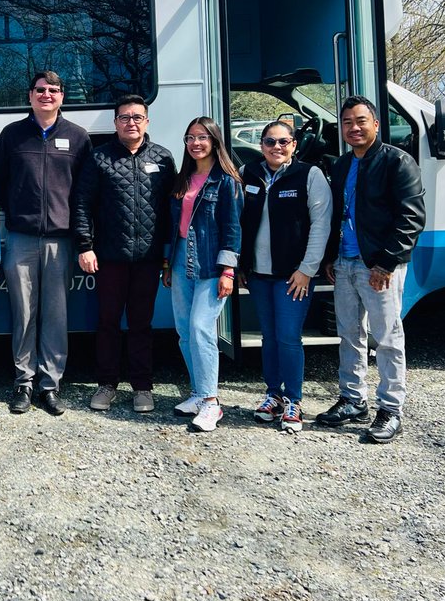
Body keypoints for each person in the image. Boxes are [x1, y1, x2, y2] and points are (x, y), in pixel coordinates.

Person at [316, 96, 426, 443]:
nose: (354, 127)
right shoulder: (341, 165)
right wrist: (331, 257)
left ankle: (391, 409)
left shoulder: (397, 162)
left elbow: (411, 217)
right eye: (347, 122)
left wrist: (387, 262)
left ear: (376, 124)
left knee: (388, 338)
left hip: (379, 266)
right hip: (345, 264)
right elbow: (338, 215)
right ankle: (353, 400)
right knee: (350, 335)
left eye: (361, 121)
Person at [0, 70, 91, 415]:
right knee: (24, 311)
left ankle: (49, 385)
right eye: (40, 90)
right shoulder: (12, 135)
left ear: (62, 96)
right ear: (29, 96)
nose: (46, 95)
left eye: (53, 90)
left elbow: (83, 192)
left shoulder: (77, 138)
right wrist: (18, 207)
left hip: (61, 241)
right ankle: (23, 382)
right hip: (21, 237)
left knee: (56, 314)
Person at [73, 95, 175, 413]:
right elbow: (82, 205)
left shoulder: (163, 158)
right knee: (108, 323)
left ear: (146, 121)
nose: (131, 122)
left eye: (137, 117)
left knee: (142, 324)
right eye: (124, 117)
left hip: (148, 257)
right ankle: (106, 384)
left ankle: (142, 387)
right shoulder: (99, 158)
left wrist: (169, 255)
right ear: (115, 123)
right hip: (109, 257)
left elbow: (171, 210)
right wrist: (85, 246)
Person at [238, 121, 332, 434]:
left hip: (294, 275)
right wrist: (241, 264)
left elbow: (321, 225)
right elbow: (238, 221)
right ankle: (272, 395)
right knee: (269, 336)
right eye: (269, 142)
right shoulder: (247, 173)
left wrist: (307, 269)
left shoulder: (309, 175)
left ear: (293, 144)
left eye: (283, 141)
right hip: (259, 274)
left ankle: (294, 400)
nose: (276, 147)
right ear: (261, 144)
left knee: (289, 337)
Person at [163, 117, 243, 433]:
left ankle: (211, 402)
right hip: (181, 260)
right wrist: (168, 264)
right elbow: (173, 226)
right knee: (184, 330)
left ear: (215, 141)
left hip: (211, 264)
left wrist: (228, 270)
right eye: (190, 138)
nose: (196, 143)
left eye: (202, 137)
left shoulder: (226, 181)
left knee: (201, 328)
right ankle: (197, 393)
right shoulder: (183, 179)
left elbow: (233, 228)